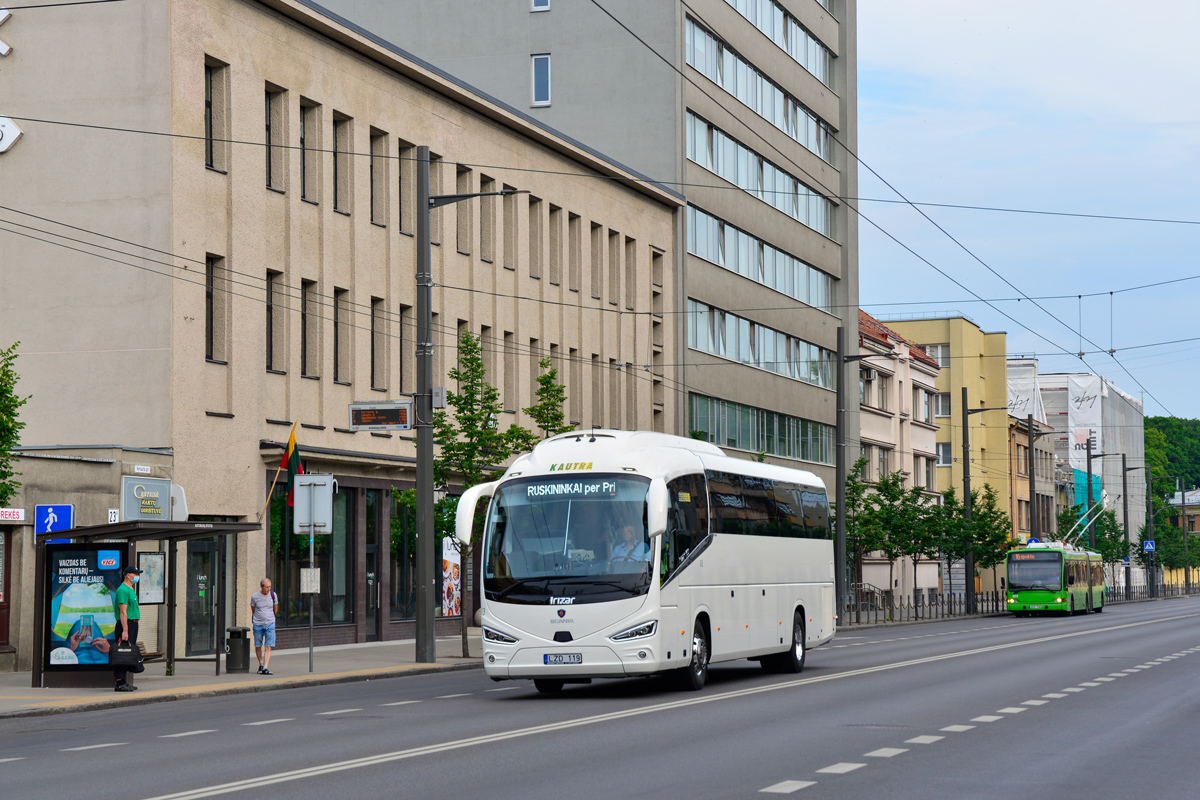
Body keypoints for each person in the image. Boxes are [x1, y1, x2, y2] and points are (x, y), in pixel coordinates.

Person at [113, 565, 141, 692]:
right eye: (135, 574)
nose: (137, 576)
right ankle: (119, 682)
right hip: (126, 623)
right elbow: (123, 612)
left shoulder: (130, 589)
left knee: (127, 652)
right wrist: (125, 630)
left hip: (133, 623)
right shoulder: (123, 590)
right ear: (128, 575)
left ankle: (124, 681)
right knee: (122, 651)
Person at [250, 578, 278, 675]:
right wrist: (258, 618)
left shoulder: (273, 595)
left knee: (268, 646)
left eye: (269, 587)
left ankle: (265, 667)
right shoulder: (254, 597)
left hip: (270, 623)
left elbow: (275, 608)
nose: (268, 589)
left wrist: (270, 618)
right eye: (266, 587)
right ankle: (260, 664)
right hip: (258, 624)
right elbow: (253, 610)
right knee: (258, 645)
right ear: (261, 587)